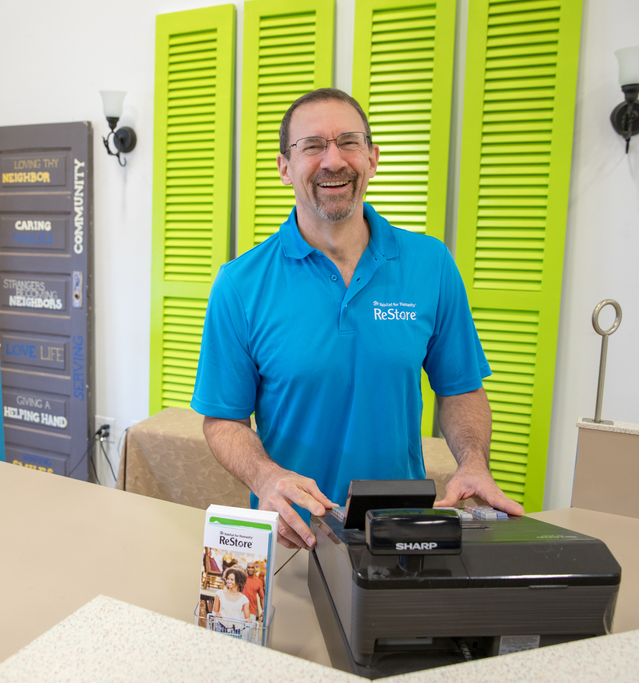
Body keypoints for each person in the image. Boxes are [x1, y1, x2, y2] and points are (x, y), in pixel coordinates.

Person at [191, 88, 524, 551]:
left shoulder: (431, 264)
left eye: (349, 142)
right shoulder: (240, 284)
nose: (334, 160)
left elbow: (460, 388)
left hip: (402, 536)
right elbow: (223, 420)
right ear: (284, 168)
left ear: (372, 157)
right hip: (294, 537)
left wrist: (473, 463)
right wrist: (265, 476)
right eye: (312, 146)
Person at [213, 567, 252, 633]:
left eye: (232, 579)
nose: (229, 581)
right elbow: (215, 611)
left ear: (238, 581)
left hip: (235, 630)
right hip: (220, 627)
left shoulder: (244, 599)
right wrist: (216, 614)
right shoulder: (219, 594)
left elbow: (247, 617)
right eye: (228, 579)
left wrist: (249, 620)